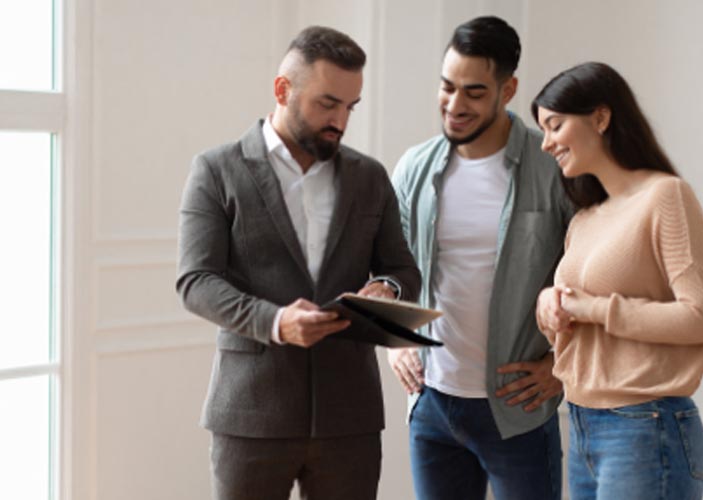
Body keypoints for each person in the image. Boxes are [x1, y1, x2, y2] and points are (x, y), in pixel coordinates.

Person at [176, 26, 420, 500]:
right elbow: (196, 280)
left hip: (349, 414)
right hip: (250, 411)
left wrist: (388, 290)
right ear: (282, 90)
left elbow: (402, 269)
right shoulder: (216, 169)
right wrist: (275, 321)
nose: (340, 121)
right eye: (327, 103)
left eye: (350, 107)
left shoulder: (369, 177)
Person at [389, 15, 572, 500]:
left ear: (507, 89)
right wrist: (395, 341)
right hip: (432, 406)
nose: (454, 105)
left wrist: (562, 364)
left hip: (517, 411)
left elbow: (592, 274)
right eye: (447, 87)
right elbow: (391, 268)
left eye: (473, 92)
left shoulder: (552, 167)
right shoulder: (414, 167)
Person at [532, 61, 703, 500]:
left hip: (645, 425)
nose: (546, 143)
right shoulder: (585, 218)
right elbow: (578, 313)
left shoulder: (666, 196)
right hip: (583, 423)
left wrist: (591, 309)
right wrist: (551, 306)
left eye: (555, 125)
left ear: (601, 118)